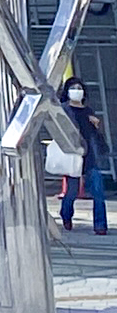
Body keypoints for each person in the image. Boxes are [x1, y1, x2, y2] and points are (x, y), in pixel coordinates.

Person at [65, 78, 110, 235]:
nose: (77, 90)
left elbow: (95, 134)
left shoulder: (88, 111)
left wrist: (96, 125)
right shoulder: (64, 110)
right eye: (73, 88)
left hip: (90, 155)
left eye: (79, 88)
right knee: (71, 191)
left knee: (98, 190)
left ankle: (100, 225)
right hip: (72, 154)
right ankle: (66, 215)